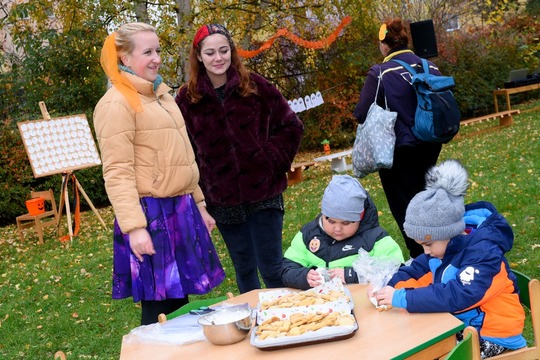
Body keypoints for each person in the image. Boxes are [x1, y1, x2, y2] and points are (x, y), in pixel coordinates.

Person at [93, 22, 225, 325]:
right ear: (125, 59)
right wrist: (135, 228)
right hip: (150, 215)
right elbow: (117, 172)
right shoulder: (116, 104)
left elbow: (183, 158)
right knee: (159, 309)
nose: (156, 58)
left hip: (180, 209)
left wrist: (200, 205)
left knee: (180, 302)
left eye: (158, 50)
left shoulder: (162, 96)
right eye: (147, 52)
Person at [175, 24, 304, 294]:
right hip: (221, 200)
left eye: (224, 50)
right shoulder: (187, 100)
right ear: (198, 56)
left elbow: (291, 126)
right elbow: (184, 150)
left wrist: (268, 161)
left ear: (232, 52)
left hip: (264, 194)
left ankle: (284, 324)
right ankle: (255, 324)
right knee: (244, 268)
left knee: (272, 267)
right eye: (210, 53)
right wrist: (204, 185)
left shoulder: (255, 86)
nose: (218, 58)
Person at [372, 159, 526, 358]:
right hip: (464, 327)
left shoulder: (484, 256)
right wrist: (386, 288)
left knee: (428, 351)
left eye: (427, 244)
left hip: (496, 336)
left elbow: (457, 295)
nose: (425, 251)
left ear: (450, 233)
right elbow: (415, 271)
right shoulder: (443, 249)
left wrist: (402, 298)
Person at [353, 18, 445, 259]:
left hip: (398, 152)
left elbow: (361, 113)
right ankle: (442, 249)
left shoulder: (380, 73)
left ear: (385, 45)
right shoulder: (429, 67)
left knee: (405, 207)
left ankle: (421, 257)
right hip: (431, 145)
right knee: (429, 199)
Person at [282, 175, 404, 290]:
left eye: (346, 223)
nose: (337, 229)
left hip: (361, 305)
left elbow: (396, 270)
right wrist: (304, 277)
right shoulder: (308, 234)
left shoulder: (375, 238)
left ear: (360, 217)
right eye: (331, 221)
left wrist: (351, 275)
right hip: (317, 305)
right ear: (323, 215)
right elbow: (286, 269)